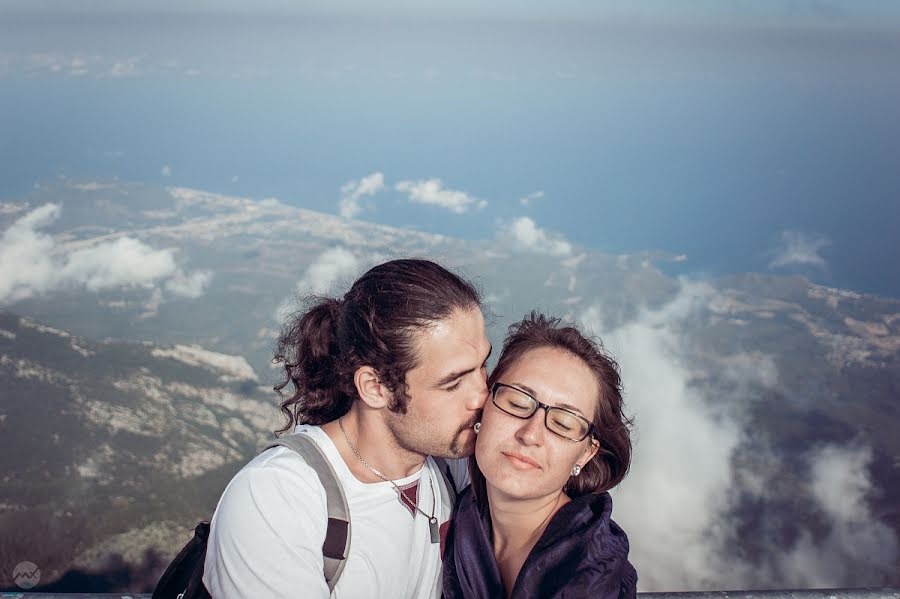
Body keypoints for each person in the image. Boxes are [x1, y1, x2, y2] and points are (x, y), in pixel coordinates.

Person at [203, 258, 492, 598]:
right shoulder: (279, 498)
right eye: (453, 383)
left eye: (483, 366)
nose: (482, 395)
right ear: (375, 387)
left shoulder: (453, 464)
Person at [443, 312, 637, 599]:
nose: (530, 435)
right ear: (485, 404)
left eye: (563, 424)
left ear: (585, 453)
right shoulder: (454, 512)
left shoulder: (591, 572)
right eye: (518, 403)